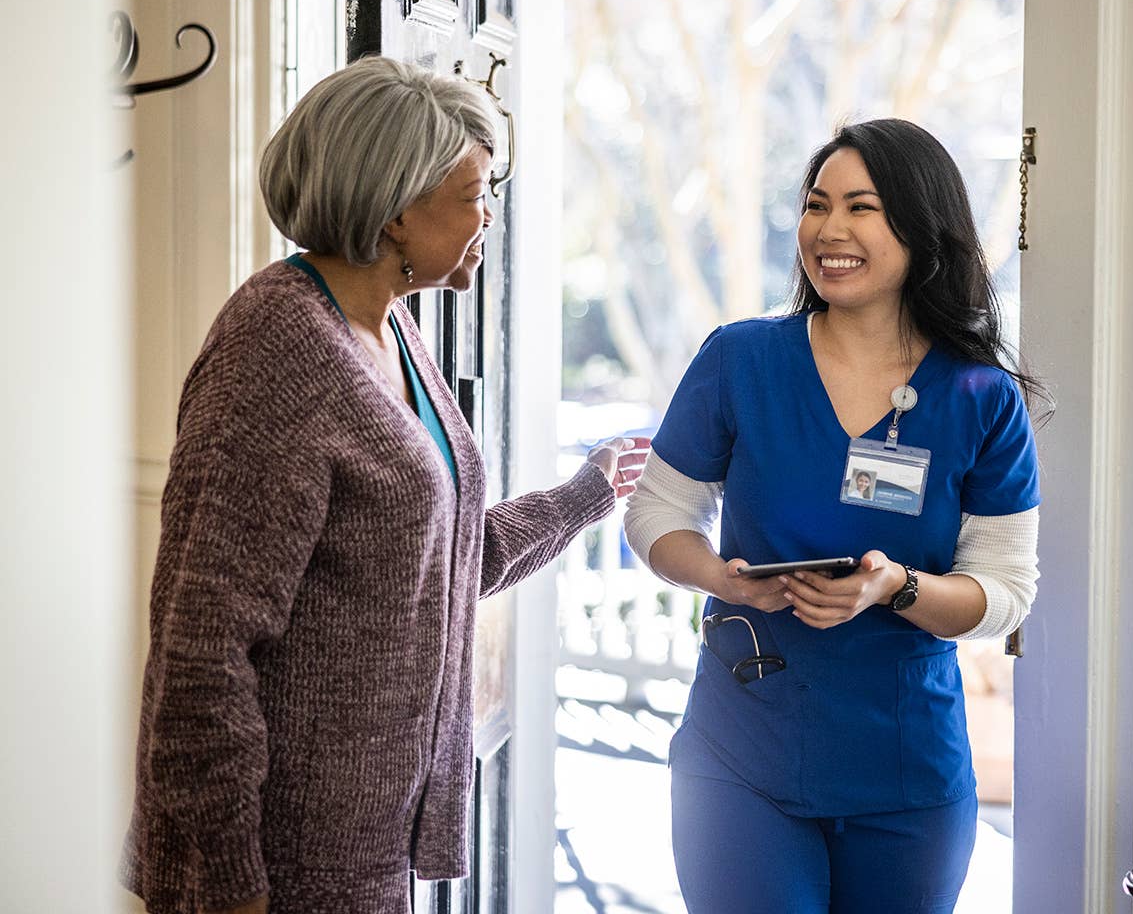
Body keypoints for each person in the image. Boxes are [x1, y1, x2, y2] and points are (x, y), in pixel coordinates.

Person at [120, 56, 649, 914]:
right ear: (399, 210)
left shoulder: (387, 330)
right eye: (477, 193)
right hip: (279, 869)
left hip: (362, 852)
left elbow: (433, 569)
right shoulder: (278, 346)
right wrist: (230, 888)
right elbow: (201, 649)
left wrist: (586, 495)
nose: (490, 216)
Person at [624, 119, 1044, 914]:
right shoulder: (739, 361)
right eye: (817, 205)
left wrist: (895, 586)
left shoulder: (981, 398)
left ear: (922, 231)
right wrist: (722, 577)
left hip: (907, 772)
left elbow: (1005, 593)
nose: (830, 230)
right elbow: (659, 512)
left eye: (862, 207)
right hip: (742, 756)